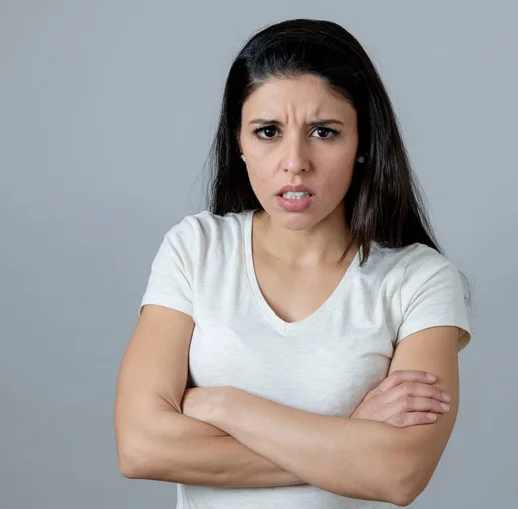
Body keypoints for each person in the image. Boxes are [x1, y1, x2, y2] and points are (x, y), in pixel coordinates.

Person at [114, 18, 473, 508]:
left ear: (363, 143)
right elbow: (140, 446)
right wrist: (351, 439)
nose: (295, 161)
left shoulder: (420, 280)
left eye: (324, 132)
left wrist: (221, 404)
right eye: (267, 132)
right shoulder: (195, 250)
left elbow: (398, 473)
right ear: (239, 142)